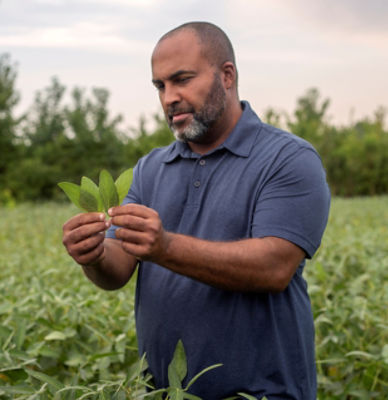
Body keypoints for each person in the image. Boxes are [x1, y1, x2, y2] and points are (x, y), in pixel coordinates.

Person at [62, 21, 330, 400]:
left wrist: (165, 247)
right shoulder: (150, 169)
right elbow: (116, 270)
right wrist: (92, 255)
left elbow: (275, 267)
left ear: (227, 76)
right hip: (164, 392)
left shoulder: (287, 158)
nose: (169, 97)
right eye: (160, 86)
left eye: (182, 79)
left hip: (263, 393)